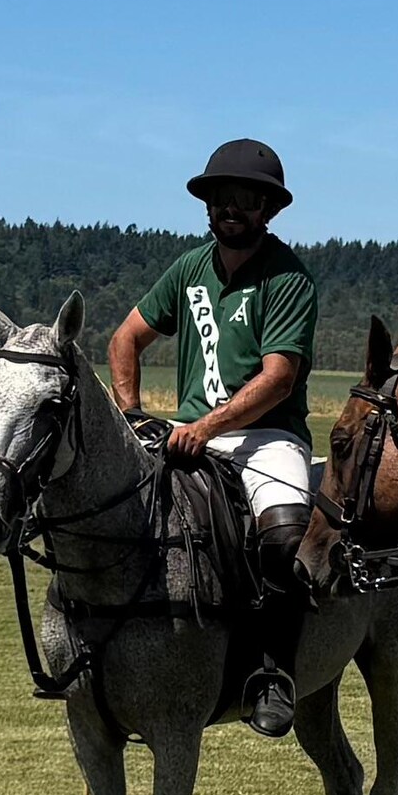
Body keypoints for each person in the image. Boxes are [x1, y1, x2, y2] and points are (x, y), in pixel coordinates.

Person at [107, 138, 321, 736]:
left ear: (267, 210)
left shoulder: (288, 277)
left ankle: (273, 674)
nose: (231, 208)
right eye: (222, 197)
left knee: (285, 536)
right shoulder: (188, 269)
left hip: (268, 437)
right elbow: (124, 339)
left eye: (246, 199)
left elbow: (278, 379)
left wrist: (205, 426)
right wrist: (131, 414)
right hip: (186, 432)